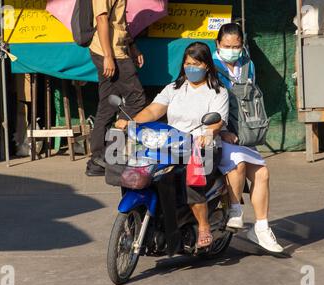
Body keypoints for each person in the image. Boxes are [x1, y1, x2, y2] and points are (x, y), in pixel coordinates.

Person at [116, 42, 229, 249]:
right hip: (170, 143)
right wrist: (133, 122)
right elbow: (153, 111)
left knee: (190, 181)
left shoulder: (218, 92)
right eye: (187, 63)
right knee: (136, 169)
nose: (191, 68)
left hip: (202, 147)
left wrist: (208, 133)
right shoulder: (174, 88)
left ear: (206, 66)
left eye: (196, 63)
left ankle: (203, 226)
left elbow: (217, 121)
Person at [214, 23, 284, 253]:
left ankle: (261, 228)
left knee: (263, 173)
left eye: (237, 46)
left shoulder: (248, 65)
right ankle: (235, 209)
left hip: (242, 134)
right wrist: (220, 130)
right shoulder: (210, 65)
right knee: (238, 164)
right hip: (217, 132)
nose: (232, 51)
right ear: (218, 44)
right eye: (227, 46)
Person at [86, 0, 147, 176]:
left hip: (116, 49)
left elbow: (119, 21)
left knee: (107, 105)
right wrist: (108, 56)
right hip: (111, 53)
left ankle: (97, 161)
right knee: (137, 99)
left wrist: (133, 48)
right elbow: (102, 20)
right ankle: (109, 154)